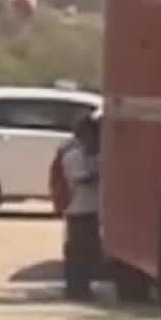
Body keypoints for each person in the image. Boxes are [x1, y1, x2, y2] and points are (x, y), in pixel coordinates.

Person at [59, 113, 101, 300]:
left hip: (90, 209)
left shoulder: (91, 154)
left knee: (87, 251)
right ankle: (75, 289)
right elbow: (80, 178)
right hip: (77, 209)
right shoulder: (73, 155)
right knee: (77, 252)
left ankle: (82, 288)